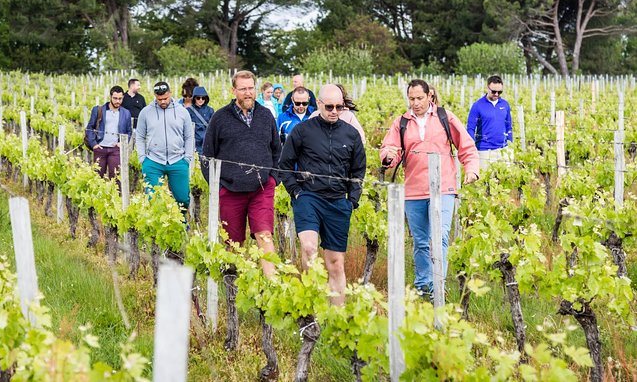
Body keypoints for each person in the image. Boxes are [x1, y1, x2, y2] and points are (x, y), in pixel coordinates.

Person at [380, 79, 479, 300]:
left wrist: (471, 169)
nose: (415, 103)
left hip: (443, 188)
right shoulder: (402, 122)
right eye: (411, 99)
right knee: (421, 241)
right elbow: (391, 148)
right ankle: (423, 285)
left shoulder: (445, 117)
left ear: (430, 96)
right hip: (414, 190)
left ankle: (437, 287)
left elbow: (466, 145)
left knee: (440, 237)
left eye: (419, 98)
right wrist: (388, 156)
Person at [279, 84, 366, 306]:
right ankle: (312, 307)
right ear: (318, 104)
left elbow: (358, 170)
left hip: (338, 201)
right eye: (329, 106)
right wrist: (296, 192)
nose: (334, 111)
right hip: (308, 197)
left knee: (335, 262)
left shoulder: (351, 134)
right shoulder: (302, 131)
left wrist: (352, 201)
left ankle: (336, 319)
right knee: (309, 249)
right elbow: (285, 164)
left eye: (339, 106)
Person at [202, 70, 281, 276]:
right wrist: (218, 186)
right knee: (232, 242)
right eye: (243, 89)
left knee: (264, 235)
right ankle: (232, 287)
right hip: (230, 190)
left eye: (251, 88)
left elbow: (276, 150)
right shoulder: (220, 118)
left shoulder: (266, 116)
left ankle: (272, 286)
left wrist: (273, 179)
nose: (248, 93)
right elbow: (207, 156)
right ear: (234, 90)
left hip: (261, 189)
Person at [136, 81, 194, 221]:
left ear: (170, 93)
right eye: (159, 99)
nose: (163, 101)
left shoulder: (182, 112)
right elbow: (139, 136)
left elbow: (189, 136)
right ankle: (159, 229)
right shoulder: (146, 112)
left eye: (165, 98)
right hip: (153, 161)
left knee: (182, 198)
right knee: (154, 199)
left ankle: (181, 223)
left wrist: (187, 158)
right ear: (155, 96)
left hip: (178, 160)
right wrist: (143, 158)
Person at [85, 85, 132, 181]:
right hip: (100, 148)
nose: (118, 101)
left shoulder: (126, 113)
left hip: (115, 150)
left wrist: (121, 143)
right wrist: (94, 144)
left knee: (115, 178)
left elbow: (129, 131)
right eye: (115, 98)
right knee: (97, 177)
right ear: (110, 97)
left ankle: (116, 196)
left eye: (120, 98)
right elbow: (89, 128)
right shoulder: (98, 110)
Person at [466, 75, 513, 170]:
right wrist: (472, 148)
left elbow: (508, 125)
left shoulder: (505, 104)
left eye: (499, 92)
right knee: (486, 181)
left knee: (505, 179)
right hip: (484, 151)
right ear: (487, 88)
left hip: (503, 150)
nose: (496, 94)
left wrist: (510, 144)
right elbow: (470, 128)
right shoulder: (477, 106)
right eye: (494, 91)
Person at [187, 86, 214, 154]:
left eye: (203, 98)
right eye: (198, 98)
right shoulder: (188, 111)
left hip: (207, 143)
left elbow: (214, 127)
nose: (201, 100)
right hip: (195, 143)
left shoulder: (210, 110)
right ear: (194, 98)